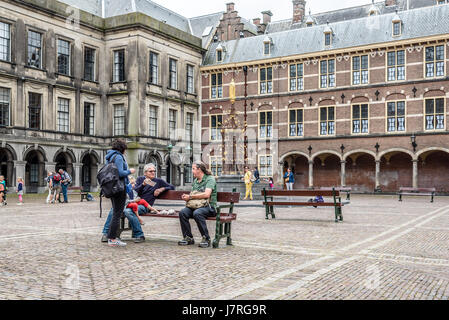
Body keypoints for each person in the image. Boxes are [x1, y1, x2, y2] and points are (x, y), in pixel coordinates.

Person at [178, 161, 217, 248]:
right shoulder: (195, 181)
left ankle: (206, 238)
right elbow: (193, 195)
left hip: (209, 207)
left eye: (193, 169)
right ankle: (188, 237)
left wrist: (190, 197)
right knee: (183, 212)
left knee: (197, 213)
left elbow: (207, 194)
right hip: (196, 206)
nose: (192, 171)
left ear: (199, 169)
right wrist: (186, 197)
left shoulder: (210, 179)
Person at [104, 139, 135, 247]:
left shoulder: (109, 157)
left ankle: (110, 236)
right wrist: (130, 171)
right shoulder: (118, 157)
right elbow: (120, 173)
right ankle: (112, 238)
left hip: (112, 187)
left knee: (115, 213)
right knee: (117, 214)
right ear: (122, 148)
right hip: (119, 188)